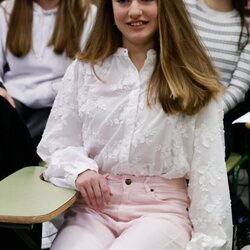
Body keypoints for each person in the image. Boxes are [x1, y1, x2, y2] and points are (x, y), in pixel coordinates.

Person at [37, 0, 233, 249]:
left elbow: (208, 174)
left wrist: (209, 241)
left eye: (147, 0)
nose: (134, 11)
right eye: (123, 1)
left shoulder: (194, 79)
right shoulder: (85, 69)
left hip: (162, 212)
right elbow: (58, 142)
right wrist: (80, 170)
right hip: (94, 209)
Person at [183, 1, 250, 249]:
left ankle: (238, 221)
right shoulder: (185, 6)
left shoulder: (246, 25)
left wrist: (206, 114)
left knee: (201, 162)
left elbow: (239, 88)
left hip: (216, 119)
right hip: (172, 107)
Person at [0, 0, 97, 166]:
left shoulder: (87, 13)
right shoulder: (7, 10)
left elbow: (89, 69)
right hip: (14, 96)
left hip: (57, 100)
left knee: (20, 142)